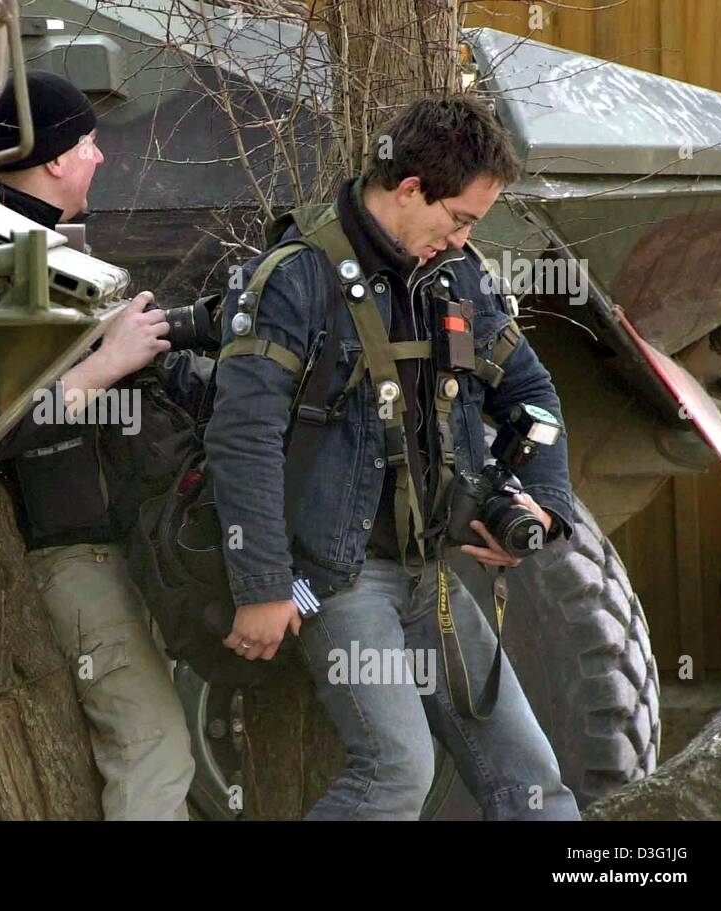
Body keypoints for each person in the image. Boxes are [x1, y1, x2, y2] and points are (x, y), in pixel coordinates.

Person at [204, 96, 580, 820]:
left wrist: (546, 504)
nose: (465, 238)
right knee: (396, 774)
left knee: (533, 777)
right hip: (338, 578)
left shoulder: (456, 278)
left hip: (430, 575)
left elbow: (530, 390)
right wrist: (262, 583)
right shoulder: (296, 277)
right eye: (460, 218)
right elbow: (241, 433)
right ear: (409, 188)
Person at [0, 71, 205, 820]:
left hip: (111, 545)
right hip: (73, 556)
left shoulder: (41, 250)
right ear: (53, 161)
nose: (101, 158)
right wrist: (108, 361)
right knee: (156, 752)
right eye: (88, 144)